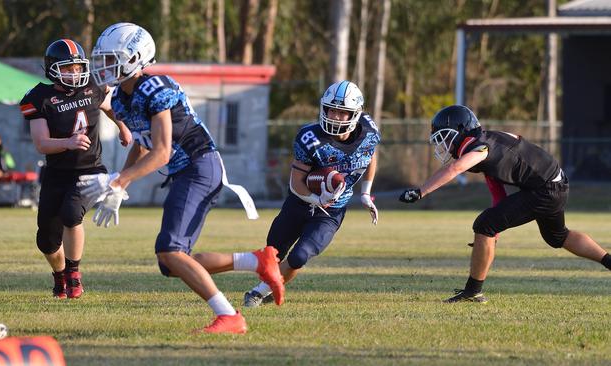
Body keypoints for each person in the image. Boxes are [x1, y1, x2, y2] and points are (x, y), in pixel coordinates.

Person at [80, 22, 284, 334]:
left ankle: (229, 316)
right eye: (103, 58)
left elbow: (161, 152)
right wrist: (121, 185)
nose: (104, 65)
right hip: (189, 171)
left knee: (170, 250)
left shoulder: (155, 87)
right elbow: (141, 141)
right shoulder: (122, 98)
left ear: (136, 57)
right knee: (171, 261)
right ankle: (257, 260)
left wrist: (117, 182)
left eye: (111, 58)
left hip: (199, 166)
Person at [399, 104, 611, 303]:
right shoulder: (487, 140)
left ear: (460, 131)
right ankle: (608, 261)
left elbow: (455, 169)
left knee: (485, 224)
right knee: (557, 236)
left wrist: (420, 191)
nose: (443, 145)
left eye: (445, 138)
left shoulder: (480, 147)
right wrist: (493, 234)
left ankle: (473, 292)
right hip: (553, 183)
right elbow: (497, 192)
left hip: (545, 189)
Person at [242, 80, 381, 308]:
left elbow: (370, 155)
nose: (334, 116)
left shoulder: (368, 132)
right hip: (300, 202)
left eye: (342, 112)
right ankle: (270, 283)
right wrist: (317, 199)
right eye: (331, 110)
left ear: (355, 115)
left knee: (299, 257)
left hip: (331, 212)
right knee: (272, 252)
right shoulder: (310, 137)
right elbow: (296, 182)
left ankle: (259, 293)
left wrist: (366, 192)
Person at [19, 38, 132, 299]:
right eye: (68, 68)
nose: (75, 73)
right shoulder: (39, 97)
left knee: (71, 214)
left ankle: (74, 273)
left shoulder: (94, 88)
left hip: (90, 169)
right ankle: (59, 276)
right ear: (53, 69)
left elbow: (109, 107)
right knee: (46, 240)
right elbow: (41, 144)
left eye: (78, 67)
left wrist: (122, 126)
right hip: (57, 172)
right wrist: (67, 143)